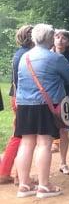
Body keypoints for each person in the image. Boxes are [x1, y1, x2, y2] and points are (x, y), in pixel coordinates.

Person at [13, 23, 69, 199]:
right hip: (45, 105)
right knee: (44, 144)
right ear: (50, 39)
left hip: (24, 105)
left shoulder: (24, 57)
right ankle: (44, 186)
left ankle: (24, 185)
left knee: (26, 144)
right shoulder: (55, 58)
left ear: (34, 39)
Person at [0, 25, 34, 185]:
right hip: (23, 99)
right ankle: (13, 174)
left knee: (20, 135)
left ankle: (7, 172)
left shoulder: (18, 54)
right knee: (22, 136)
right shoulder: (27, 55)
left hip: (17, 97)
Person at [51, 29, 69, 175]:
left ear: (68, 42)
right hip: (50, 98)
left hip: (67, 97)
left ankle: (63, 162)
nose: (60, 40)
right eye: (57, 36)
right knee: (47, 131)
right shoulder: (47, 55)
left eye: (64, 38)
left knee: (64, 131)